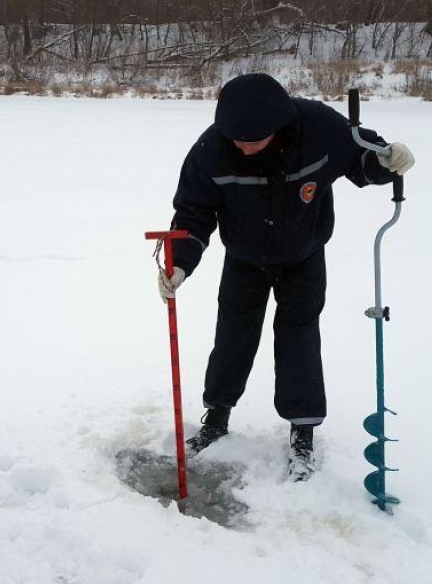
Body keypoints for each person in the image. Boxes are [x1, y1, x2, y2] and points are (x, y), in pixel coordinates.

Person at [159, 73, 414, 482]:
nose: (243, 146)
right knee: (232, 336)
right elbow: (193, 213)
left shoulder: (319, 129)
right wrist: (181, 262)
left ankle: (303, 431)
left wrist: (387, 161)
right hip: (244, 258)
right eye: (236, 138)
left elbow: (362, 159)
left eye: (253, 139)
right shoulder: (212, 151)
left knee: (299, 338)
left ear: (278, 124)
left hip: (303, 256)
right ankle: (217, 417)